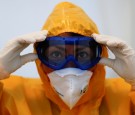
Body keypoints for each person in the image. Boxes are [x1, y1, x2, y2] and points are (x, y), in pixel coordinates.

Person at [0, 1, 135, 115]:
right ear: (40, 59)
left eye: (82, 54)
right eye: (57, 55)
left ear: (99, 57)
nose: (70, 67)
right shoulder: (14, 94)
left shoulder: (124, 94)